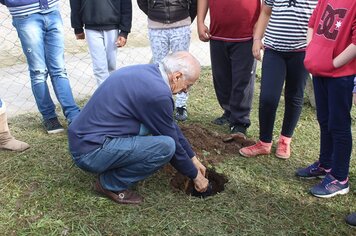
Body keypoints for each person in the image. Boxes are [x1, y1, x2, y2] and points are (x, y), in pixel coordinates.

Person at [68, 51, 209, 204]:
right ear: (177, 76)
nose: (186, 90)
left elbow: (169, 125)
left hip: (83, 140)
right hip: (90, 152)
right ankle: (110, 184)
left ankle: (111, 163)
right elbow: (173, 145)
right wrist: (195, 176)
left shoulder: (147, 73)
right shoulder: (158, 94)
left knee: (156, 132)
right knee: (166, 146)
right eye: (188, 85)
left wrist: (193, 159)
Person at [239, 0, 317, 159]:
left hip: (302, 51)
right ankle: (264, 142)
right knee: (268, 98)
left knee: (294, 96)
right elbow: (266, 12)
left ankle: (285, 140)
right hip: (274, 51)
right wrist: (257, 39)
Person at [296, 0, 356, 198]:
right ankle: (326, 164)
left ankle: (340, 178)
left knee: (339, 125)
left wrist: (332, 64)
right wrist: (311, 52)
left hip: (341, 75)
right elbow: (313, 24)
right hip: (320, 69)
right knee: (324, 119)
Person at [0, 0, 81, 134]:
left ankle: (73, 115)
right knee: (38, 71)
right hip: (25, 14)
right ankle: (49, 117)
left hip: (52, 10)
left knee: (59, 69)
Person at [197, 0, 260, 136]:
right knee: (221, 78)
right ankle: (229, 112)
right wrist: (200, 22)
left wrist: (260, 27)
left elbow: (268, 4)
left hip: (246, 34)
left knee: (242, 81)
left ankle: (240, 121)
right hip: (218, 33)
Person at [137, 0, 197, 121]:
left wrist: (185, 16)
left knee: (182, 67)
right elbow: (141, 2)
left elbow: (195, 3)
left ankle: (181, 105)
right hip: (156, 26)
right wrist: (154, 13)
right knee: (159, 68)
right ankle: (161, 103)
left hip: (181, 24)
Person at [69, 0, 132, 86]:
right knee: (100, 68)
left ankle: (112, 94)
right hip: (91, 26)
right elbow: (75, 3)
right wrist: (77, 27)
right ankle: (105, 97)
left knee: (111, 66)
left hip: (112, 26)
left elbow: (126, 4)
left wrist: (124, 31)